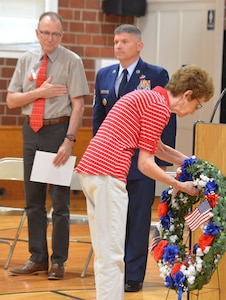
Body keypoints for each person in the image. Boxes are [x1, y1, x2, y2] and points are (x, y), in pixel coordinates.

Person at [76, 64, 214, 300]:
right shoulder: (158, 107)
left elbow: (158, 148)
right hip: (108, 174)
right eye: (197, 105)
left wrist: (192, 163)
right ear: (187, 94)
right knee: (113, 254)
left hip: (92, 171)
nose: (193, 111)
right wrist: (180, 186)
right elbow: (145, 164)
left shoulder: (149, 98)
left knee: (105, 252)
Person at [92, 24, 176, 292]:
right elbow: (99, 119)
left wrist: (162, 162)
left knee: (138, 219)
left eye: (125, 41)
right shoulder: (104, 75)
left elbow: (167, 119)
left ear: (139, 46)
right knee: (114, 220)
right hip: (112, 160)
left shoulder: (155, 74)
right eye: (116, 41)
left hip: (142, 160)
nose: (118, 46)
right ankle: (114, 273)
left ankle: (133, 275)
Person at [6, 11, 89, 280]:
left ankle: (58, 261)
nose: (50, 38)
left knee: (60, 203)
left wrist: (69, 140)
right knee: (33, 201)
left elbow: (79, 105)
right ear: (37, 33)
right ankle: (38, 257)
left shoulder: (71, 61)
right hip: (31, 130)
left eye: (55, 33)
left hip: (57, 131)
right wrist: (38, 93)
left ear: (61, 35)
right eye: (45, 32)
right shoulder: (26, 59)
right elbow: (11, 101)